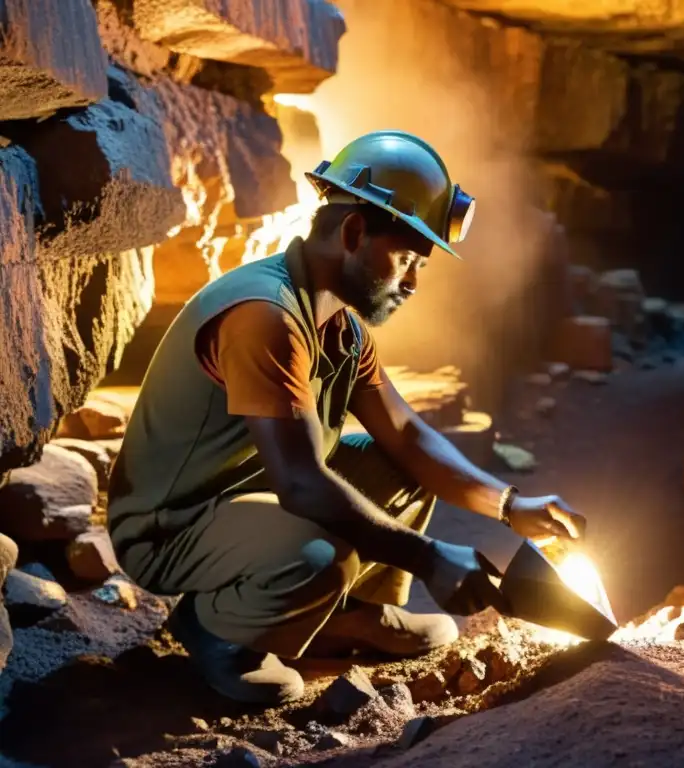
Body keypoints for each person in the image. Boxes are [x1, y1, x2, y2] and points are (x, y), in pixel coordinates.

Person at [105, 130, 585, 705]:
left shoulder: (340, 326)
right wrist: (430, 557)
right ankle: (216, 630)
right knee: (321, 558)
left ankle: (352, 614)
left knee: (398, 465)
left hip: (246, 496)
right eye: (406, 259)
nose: (411, 283)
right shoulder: (265, 315)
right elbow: (302, 482)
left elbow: (406, 435)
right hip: (172, 526)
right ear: (355, 233)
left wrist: (508, 506)